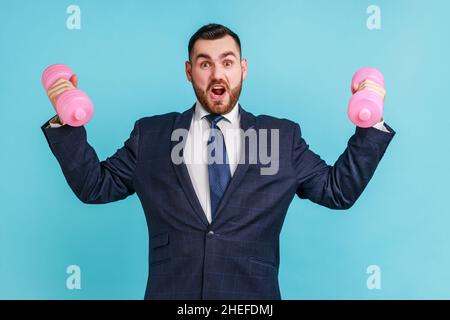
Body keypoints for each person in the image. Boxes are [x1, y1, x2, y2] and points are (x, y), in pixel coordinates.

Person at [41, 23, 395, 299]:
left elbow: (338, 191)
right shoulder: (151, 135)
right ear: (188, 71)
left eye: (227, 62)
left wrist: (369, 122)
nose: (216, 74)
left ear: (242, 69)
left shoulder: (281, 138)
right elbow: (95, 186)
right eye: (204, 63)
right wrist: (67, 121)